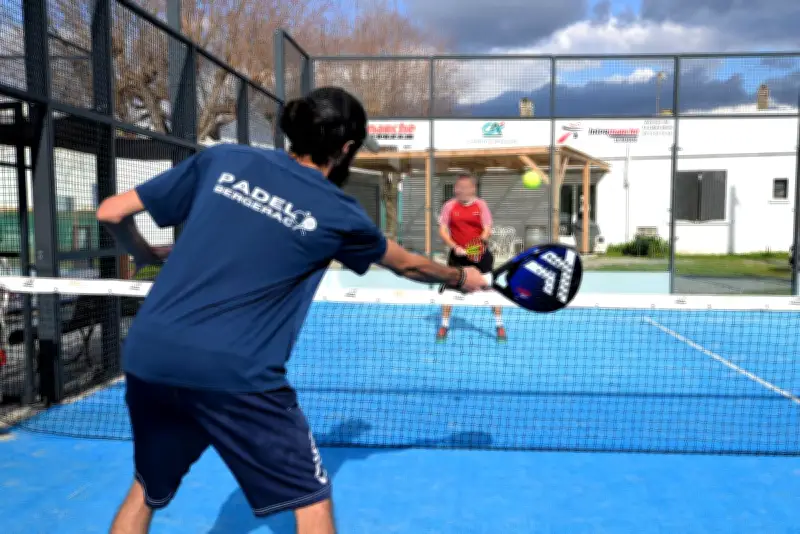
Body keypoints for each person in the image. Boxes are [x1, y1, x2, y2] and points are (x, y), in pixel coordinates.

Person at [96, 86, 487, 534]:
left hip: (150, 355)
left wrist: (146, 254)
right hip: (235, 372)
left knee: (145, 488)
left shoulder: (223, 159)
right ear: (344, 150)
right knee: (312, 504)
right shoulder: (340, 213)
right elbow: (409, 265)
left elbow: (111, 212)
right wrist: (461, 278)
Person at [437, 174, 506, 342]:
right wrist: (455, 247)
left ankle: (499, 326)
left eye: (465, 187)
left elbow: (487, 230)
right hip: (457, 256)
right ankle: (444, 325)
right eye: (458, 187)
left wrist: (474, 248)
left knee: (490, 289)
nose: (461, 190)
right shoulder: (449, 206)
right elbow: (443, 230)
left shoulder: (481, 205)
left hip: (481, 255)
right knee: (448, 291)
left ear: (472, 189)